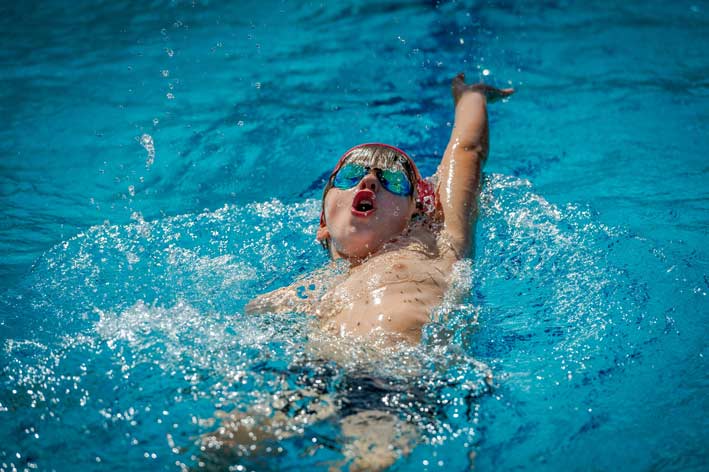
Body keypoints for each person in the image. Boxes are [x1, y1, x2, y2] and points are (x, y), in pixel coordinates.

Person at [201, 73, 513, 471]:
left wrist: (470, 96)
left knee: (367, 462)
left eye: (392, 180)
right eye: (351, 177)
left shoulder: (436, 245)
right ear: (323, 225)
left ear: (417, 211)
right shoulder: (310, 288)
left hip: (395, 374)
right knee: (221, 445)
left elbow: (466, 151)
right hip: (311, 373)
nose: (369, 180)